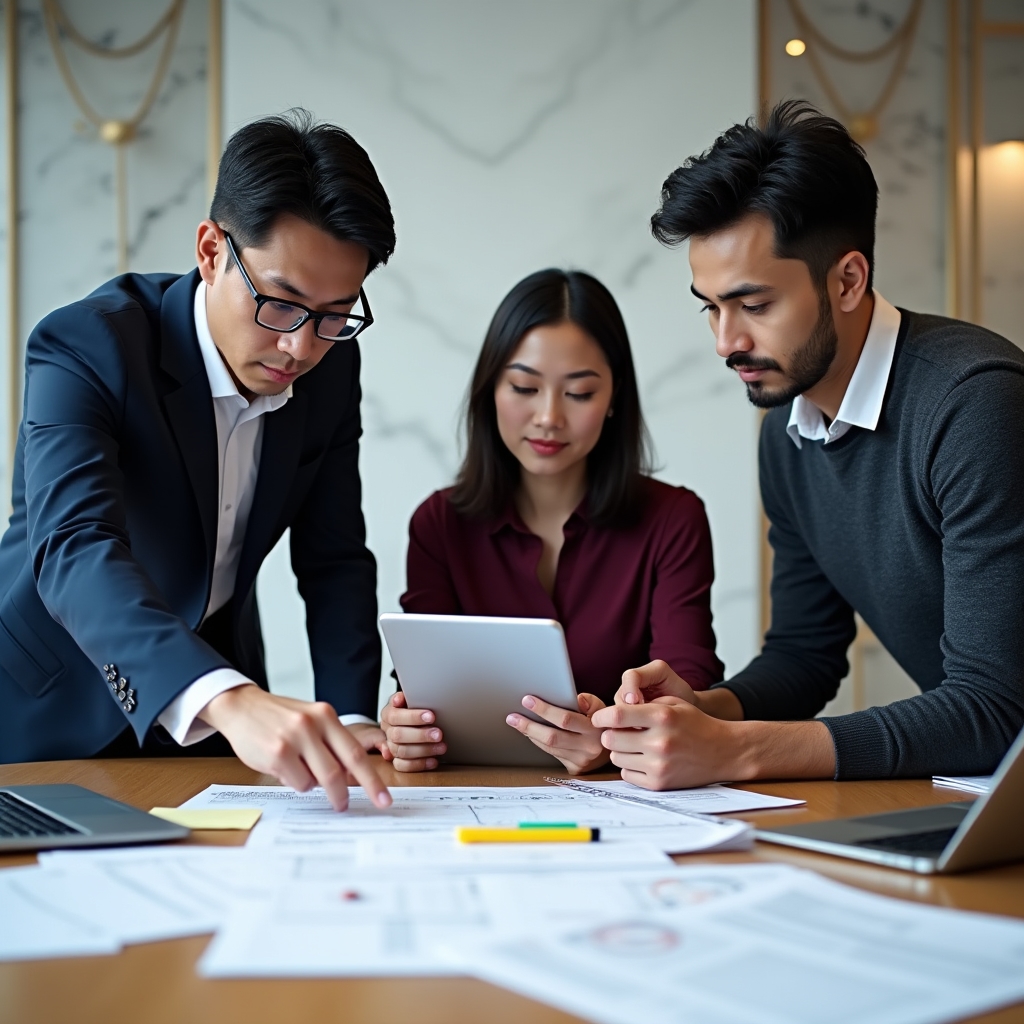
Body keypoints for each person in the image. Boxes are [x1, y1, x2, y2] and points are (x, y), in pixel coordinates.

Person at [592, 100, 1024, 789]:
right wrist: (704, 711)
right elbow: (805, 654)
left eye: (754, 305)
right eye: (711, 307)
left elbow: (996, 711)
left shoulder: (974, 404)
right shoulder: (787, 433)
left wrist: (737, 751)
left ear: (848, 280)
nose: (726, 342)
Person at [0, 110, 394, 810]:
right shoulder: (87, 344)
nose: (302, 347)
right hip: (47, 715)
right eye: (282, 304)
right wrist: (228, 698)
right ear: (212, 251)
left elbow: (333, 557)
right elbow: (75, 546)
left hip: (212, 736)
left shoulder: (332, 370)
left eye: (336, 314)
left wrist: (354, 717)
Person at [381, 268, 724, 774]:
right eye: (524, 387)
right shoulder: (439, 524)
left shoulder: (673, 520)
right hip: (471, 791)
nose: (548, 417)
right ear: (490, 389)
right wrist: (407, 728)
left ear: (614, 399)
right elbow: (422, 691)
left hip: (629, 793)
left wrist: (610, 743)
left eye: (579, 393)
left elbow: (686, 693)